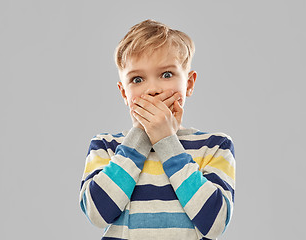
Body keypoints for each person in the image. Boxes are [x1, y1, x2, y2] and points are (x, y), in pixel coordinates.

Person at [79, 19, 235, 240]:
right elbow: (97, 213)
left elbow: (215, 222)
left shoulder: (215, 146)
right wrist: (142, 135)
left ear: (189, 84)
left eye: (166, 75)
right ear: (124, 93)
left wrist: (166, 141)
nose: (152, 90)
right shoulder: (106, 147)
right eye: (137, 79)